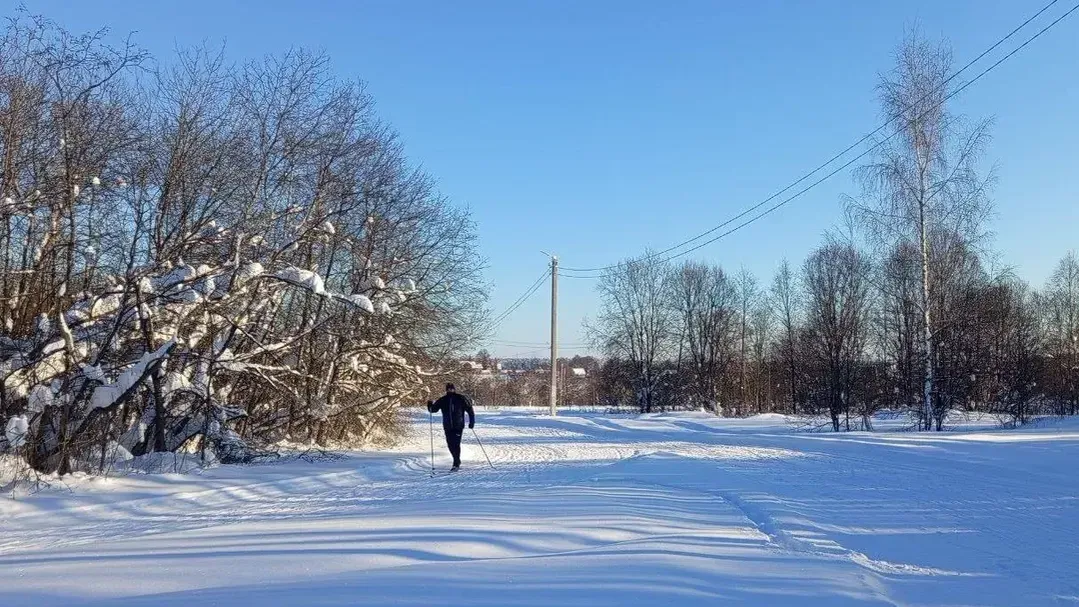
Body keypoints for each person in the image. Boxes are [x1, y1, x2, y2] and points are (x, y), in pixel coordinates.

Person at [427, 383, 475, 471]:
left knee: (456, 444)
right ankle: (457, 460)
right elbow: (433, 410)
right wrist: (430, 405)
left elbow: (470, 410)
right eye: (448, 389)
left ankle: (456, 463)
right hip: (447, 426)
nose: (450, 390)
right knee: (450, 444)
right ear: (446, 390)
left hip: (458, 425)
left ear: (454, 389)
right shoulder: (443, 400)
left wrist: (472, 422)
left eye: (451, 389)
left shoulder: (460, 398)